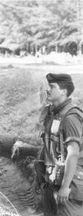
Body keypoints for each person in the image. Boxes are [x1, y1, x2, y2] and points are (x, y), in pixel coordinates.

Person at [37, 73, 83, 216]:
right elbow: (47, 144)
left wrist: (65, 187)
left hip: (68, 187)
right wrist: (40, 165)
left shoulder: (70, 118)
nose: (47, 90)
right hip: (51, 182)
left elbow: (73, 153)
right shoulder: (52, 115)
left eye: (52, 87)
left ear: (63, 91)